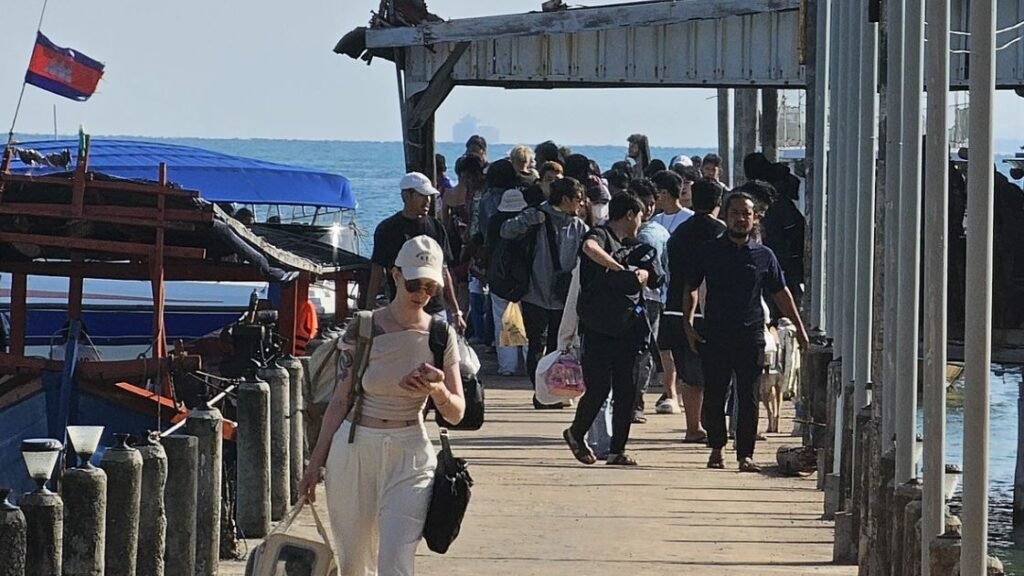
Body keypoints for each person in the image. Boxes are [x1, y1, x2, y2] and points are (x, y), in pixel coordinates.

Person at [298, 235, 466, 575]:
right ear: (396, 275)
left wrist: (436, 389)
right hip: (355, 447)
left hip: (412, 452)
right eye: (415, 284)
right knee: (354, 562)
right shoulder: (364, 328)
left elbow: (457, 412)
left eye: (430, 288)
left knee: (395, 561)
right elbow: (340, 400)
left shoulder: (440, 334)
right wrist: (315, 463)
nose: (421, 295)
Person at [683, 192, 809, 472]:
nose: (741, 219)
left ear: (754, 219)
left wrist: (799, 328)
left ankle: (745, 455)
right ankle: (716, 447)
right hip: (715, 334)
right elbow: (691, 286)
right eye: (736, 213)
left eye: (747, 214)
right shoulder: (708, 251)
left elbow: (781, 292)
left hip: (751, 334)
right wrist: (688, 324)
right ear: (725, 217)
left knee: (749, 396)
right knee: (714, 396)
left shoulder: (764, 255)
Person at [564, 193, 655, 466]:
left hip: (629, 327)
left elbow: (652, 274)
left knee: (627, 389)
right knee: (599, 388)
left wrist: (641, 274)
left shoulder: (638, 244)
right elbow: (590, 248)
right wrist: (619, 270)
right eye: (639, 216)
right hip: (598, 327)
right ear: (629, 214)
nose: (640, 222)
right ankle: (576, 433)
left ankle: (618, 449)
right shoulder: (602, 235)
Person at [501, 177, 588, 404]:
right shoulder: (536, 216)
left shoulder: (580, 226)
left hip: (564, 295)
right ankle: (541, 393)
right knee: (537, 345)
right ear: (566, 199)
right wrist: (528, 220)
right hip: (534, 291)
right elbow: (505, 230)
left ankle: (554, 391)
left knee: (559, 344)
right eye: (578, 199)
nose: (582, 204)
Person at [366, 172, 467, 332]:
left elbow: (444, 270)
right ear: (406, 196)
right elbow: (377, 272)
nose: (427, 201)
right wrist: (369, 312)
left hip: (435, 307)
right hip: (403, 308)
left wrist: (456, 311)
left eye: (429, 196)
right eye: (422, 195)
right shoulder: (388, 229)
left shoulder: (436, 227)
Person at [664, 179, 725, 441]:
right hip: (711, 311)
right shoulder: (722, 232)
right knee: (715, 373)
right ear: (718, 203)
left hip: (676, 309)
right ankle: (709, 423)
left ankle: (693, 427)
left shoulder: (679, 233)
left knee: (689, 375)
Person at [648, 169, 695, 415]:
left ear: (664, 193)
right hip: (660, 293)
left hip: (682, 291)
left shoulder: (690, 219)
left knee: (682, 346)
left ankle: (685, 391)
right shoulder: (654, 221)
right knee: (663, 346)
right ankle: (671, 393)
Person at [630, 179, 670, 424]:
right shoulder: (615, 233)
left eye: (652, 204)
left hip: (652, 299)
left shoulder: (658, 232)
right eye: (643, 204)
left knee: (644, 351)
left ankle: (637, 402)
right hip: (631, 298)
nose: (648, 209)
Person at [485, 189, 530, 376]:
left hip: (500, 280)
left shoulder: (495, 222)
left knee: (502, 322)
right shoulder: (527, 223)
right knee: (528, 323)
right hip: (525, 280)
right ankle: (530, 364)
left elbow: (489, 250)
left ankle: (507, 367)